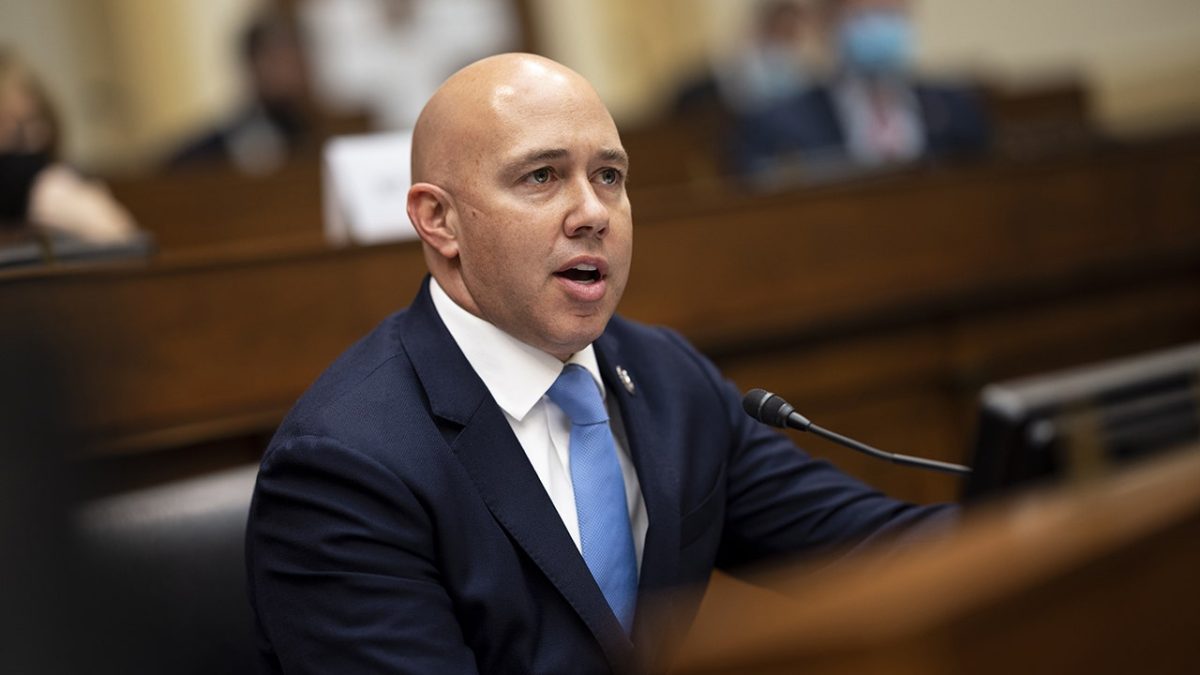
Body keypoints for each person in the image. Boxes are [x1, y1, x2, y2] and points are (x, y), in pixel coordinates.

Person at [245, 53, 954, 674]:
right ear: (440, 220)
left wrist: (1021, 518)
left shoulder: (667, 378)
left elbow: (873, 545)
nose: (594, 212)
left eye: (609, 175)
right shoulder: (344, 466)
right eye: (542, 176)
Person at [730, 0, 989, 178]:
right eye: (861, 14)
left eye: (888, 12)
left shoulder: (956, 110)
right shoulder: (777, 124)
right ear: (825, 20)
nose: (877, 24)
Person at [0, 49, 137, 246]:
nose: (36, 135)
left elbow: (121, 238)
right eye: (8, 125)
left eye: (34, 121)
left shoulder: (49, 187)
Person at [167, 13, 314, 174]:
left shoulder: (311, 129)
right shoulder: (227, 141)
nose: (294, 69)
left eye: (297, 58)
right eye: (281, 59)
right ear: (254, 65)